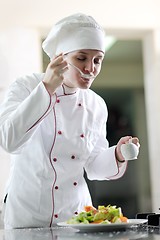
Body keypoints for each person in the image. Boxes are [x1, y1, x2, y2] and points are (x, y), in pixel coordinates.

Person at [0, 13, 140, 229]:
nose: (90, 68)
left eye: (97, 60)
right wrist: (46, 89)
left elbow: (93, 166)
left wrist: (118, 154)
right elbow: (9, 141)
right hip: (27, 216)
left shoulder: (96, 105)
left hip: (76, 217)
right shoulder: (26, 87)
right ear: (60, 57)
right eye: (81, 58)